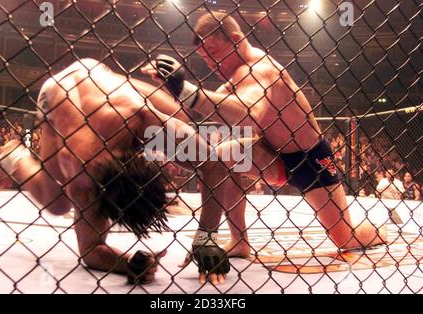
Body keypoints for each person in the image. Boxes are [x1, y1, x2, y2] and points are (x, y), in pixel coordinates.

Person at [141, 12, 387, 266]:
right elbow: (213, 108)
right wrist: (169, 92)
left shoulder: (261, 70)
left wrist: (188, 91)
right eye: (205, 57)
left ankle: (379, 230)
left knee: (344, 237)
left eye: (213, 52)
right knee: (220, 159)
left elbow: (249, 114)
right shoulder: (238, 75)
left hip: (310, 158)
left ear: (235, 40)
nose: (211, 63)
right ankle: (239, 240)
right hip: (270, 153)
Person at [0, 58, 239, 285]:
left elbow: (215, 165)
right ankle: (13, 156)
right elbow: (91, 250)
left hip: (103, 78)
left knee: (179, 115)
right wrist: (127, 262)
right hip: (57, 94)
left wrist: (206, 237)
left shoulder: (144, 118)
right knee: (57, 203)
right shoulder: (80, 169)